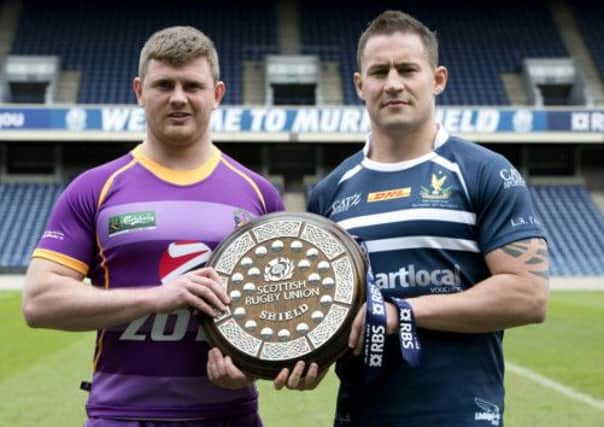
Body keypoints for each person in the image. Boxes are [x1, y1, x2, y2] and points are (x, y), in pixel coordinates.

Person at [22, 26, 285, 427]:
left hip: (229, 415)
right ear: (139, 91)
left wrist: (253, 367)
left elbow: (280, 312)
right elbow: (39, 302)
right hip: (122, 416)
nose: (178, 97)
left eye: (192, 86)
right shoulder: (94, 188)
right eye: (164, 84)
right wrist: (160, 297)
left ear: (216, 95)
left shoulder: (260, 194)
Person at [299, 10, 550, 427]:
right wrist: (303, 356)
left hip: (462, 416)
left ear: (437, 79)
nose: (393, 83)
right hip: (360, 416)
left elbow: (528, 295)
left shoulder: (484, 172)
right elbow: (324, 314)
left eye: (407, 69)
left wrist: (404, 312)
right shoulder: (329, 193)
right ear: (360, 86)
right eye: (379, 71)